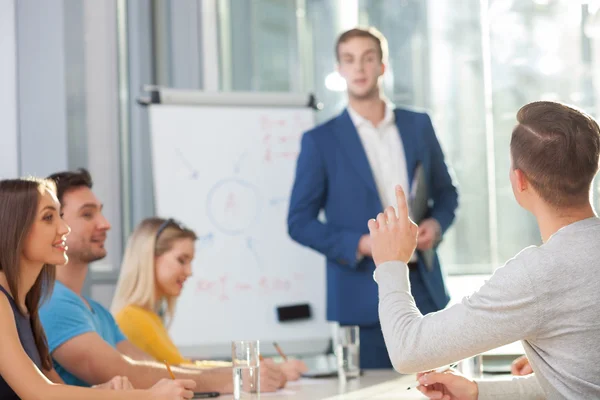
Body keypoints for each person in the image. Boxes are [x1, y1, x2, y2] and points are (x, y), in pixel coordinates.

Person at [370, 101, 600, 399]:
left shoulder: (539, 275)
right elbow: (580, 384)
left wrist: (391, 264)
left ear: (518, 181)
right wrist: (479, 392)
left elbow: (407, 350)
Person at [287, 26, 458, 369]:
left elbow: (445, 193)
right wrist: (362, 244)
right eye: (349, 60)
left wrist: (435, 225)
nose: (360, 68)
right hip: (362, 297)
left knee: (440, 385)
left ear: (383, 66)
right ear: (340, 69)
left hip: (424, 287)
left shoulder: (418, 125)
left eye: (368, 58)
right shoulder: (321, 141)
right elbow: (299, 223)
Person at [38, 169, 284, 392]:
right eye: (87, 214)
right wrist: (235, 378)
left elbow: (154, 367)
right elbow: (124, 372)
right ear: (54, 223)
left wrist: (234, 374)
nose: (105, 224)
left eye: (100, 212)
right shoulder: (53, 302)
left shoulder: (99, 313)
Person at [0, 177, 196, 400]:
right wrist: (149, 396)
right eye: (48, 218)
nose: (64, 229)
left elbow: (54, 388)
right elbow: (39, 393)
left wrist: (100, 392)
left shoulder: (27, 306)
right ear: (14, 227)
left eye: (60, 216)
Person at [110, 217, 308, 380]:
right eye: (182, 260)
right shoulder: (131, 319)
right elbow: (184, 373)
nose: (189, 272)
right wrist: (260, 372)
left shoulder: (148, 316)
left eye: (190, 262)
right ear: (149, 256)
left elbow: (185, 367)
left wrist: (253, 368)